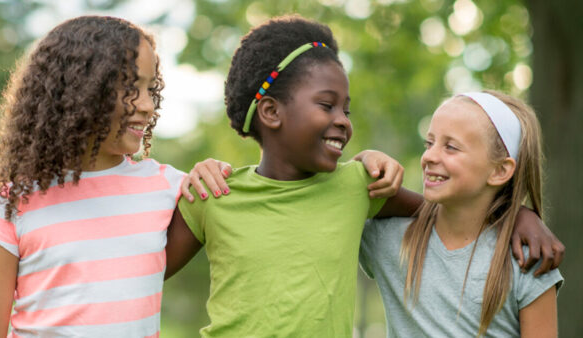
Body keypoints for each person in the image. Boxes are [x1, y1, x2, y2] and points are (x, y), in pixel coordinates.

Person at [166, 16, 563, 337]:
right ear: (271, 112)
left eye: (347, 110)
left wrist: (518, 214)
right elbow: (143, 272)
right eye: (327, 105)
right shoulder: (213, 194)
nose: (342, 121)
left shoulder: (356, 188)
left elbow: (443, 212)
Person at [0, 16, 231, 337]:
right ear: (79, 90)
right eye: (131, 89)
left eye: (149, 88)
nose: (147, 106)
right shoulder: (12, 201)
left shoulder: (170, 189)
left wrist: (210, 170)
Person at [360, 91, 564, 337]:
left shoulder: (527, 260)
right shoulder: (388, 239)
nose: (429, 156)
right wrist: (364, 162)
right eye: (429, 143)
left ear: (500, 170)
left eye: (451, 147)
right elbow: (328, 194)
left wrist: (519, 213)